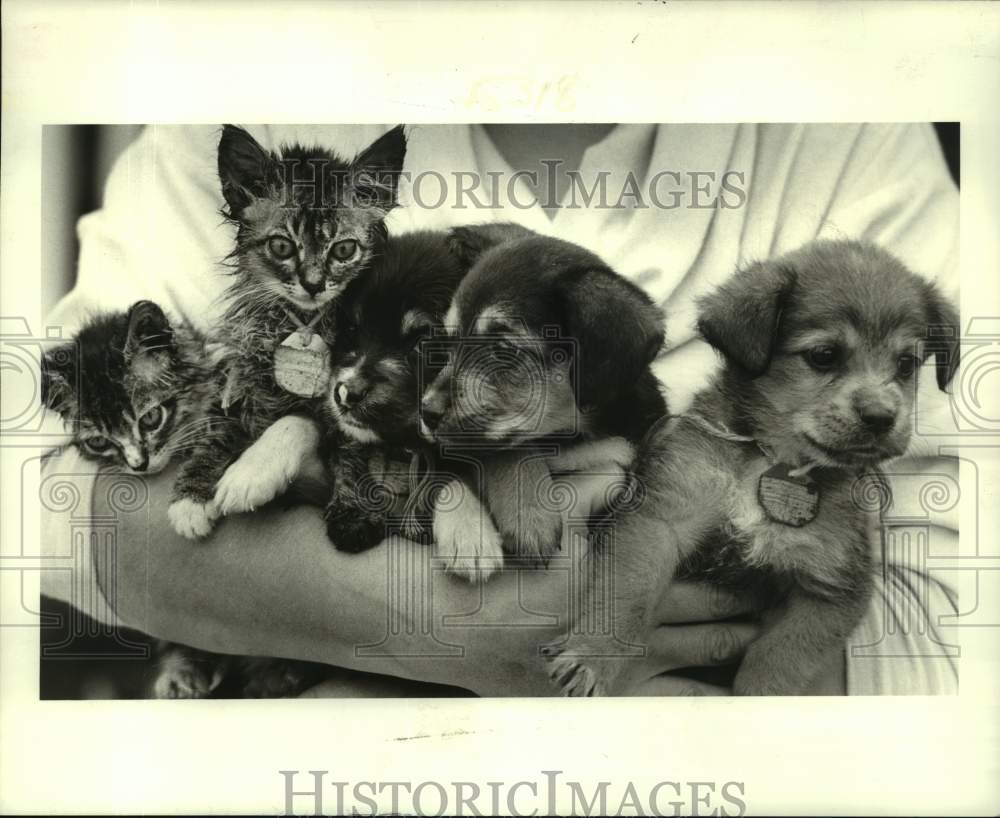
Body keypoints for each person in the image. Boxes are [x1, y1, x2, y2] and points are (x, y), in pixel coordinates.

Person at [41, 122, 960, 696]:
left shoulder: (853, 136)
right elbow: (51, 493)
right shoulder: (242, 99)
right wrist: (414, 627)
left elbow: (948, 606)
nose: (433, 399)